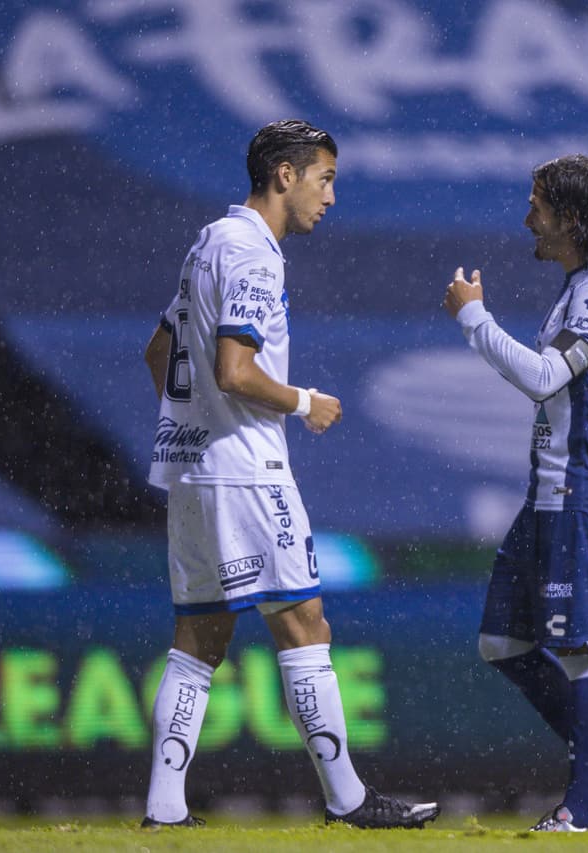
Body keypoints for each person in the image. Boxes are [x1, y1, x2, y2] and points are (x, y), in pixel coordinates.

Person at [141, 119, 439, 830]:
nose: (330, 197)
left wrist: (200, 427)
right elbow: (236, 370)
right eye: (325, 179)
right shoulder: (255, 255)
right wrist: (306, 402)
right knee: (305, 623)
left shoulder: (208, 242)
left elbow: (158, 351)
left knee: (199, 639)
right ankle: (349, 799)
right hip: (247, 471)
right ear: (285, 175)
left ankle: (164, 808)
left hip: (189, 468)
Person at [442, 154, 588, 832]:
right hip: (553, 493)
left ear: (572, 218)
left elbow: (543, 376)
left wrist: (475, 320)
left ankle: (581, 809)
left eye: (537, 204)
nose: (525, 216)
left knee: (584, 648)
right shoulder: (584, 282)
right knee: (502, 640)